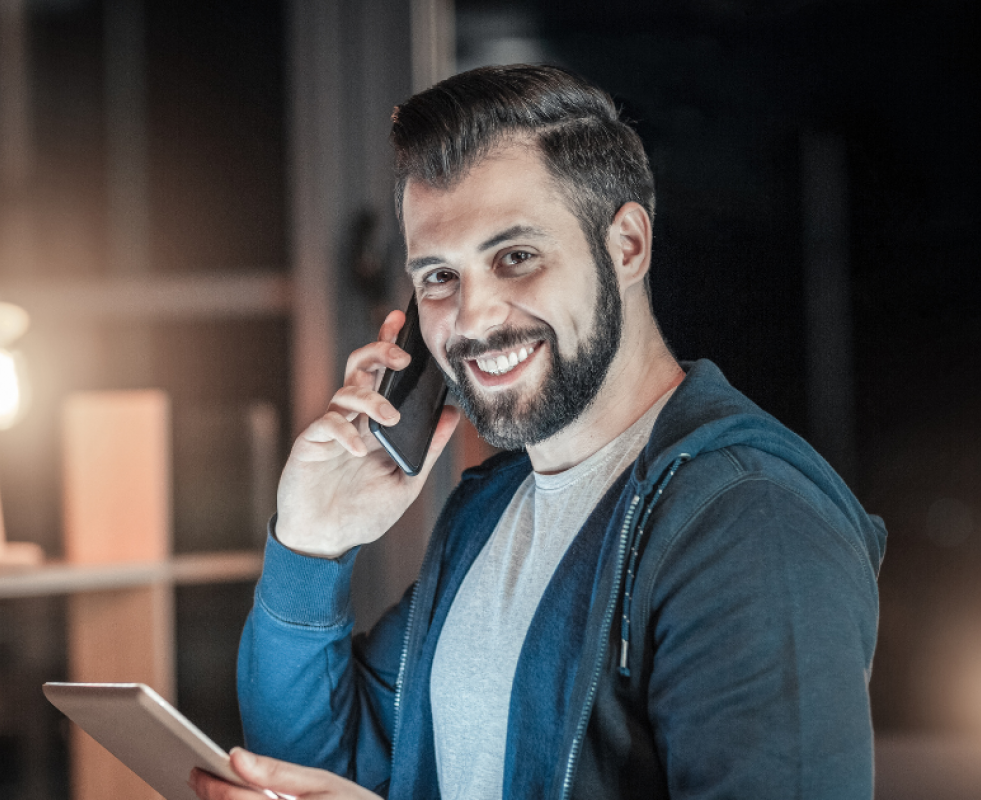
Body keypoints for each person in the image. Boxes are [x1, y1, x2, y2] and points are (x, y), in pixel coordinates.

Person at [192, 64, 886, 800]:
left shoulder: (750, 524)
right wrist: (311, 545)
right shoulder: (490, 510)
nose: (474, 318)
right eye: (437, 277)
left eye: (515, 257)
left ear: (626, 246)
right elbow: (316, 769)